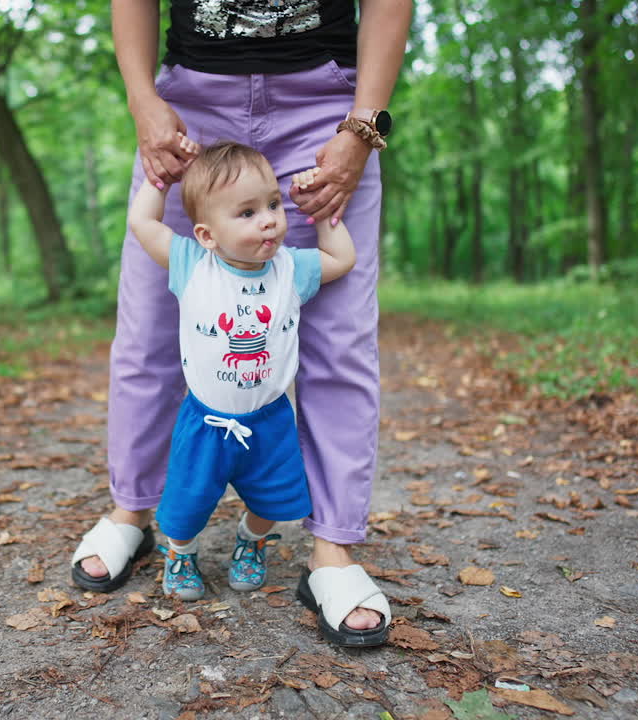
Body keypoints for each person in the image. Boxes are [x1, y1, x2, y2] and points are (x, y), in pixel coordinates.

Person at [71, 0, 411, 647]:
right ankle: (131, 511)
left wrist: (362, 125)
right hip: (191, 105)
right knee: (147, 330)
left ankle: (334, 550)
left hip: (328, 107)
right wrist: (144, 102)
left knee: (340, 342)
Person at [127, 138, 354, 601]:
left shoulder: (291, 269)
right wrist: (162, 179)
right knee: (186, 506)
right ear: (208, 235)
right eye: (247, 213)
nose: (269, 218)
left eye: (272, 204)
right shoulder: (193, 264)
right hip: (206, 420)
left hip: (269, 419)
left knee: (273, 500)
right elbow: (141, 222)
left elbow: (342, 259)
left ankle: (251, 542)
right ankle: (181, 552)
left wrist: (324, 210)